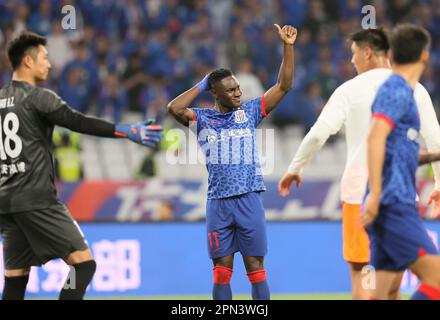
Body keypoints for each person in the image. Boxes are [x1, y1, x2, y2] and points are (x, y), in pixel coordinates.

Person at [278, 28, 440, 299]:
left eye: (353, 54)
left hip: (358, 196)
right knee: (397, 289)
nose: (351, 61)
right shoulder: (413, 89)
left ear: (367, 53)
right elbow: (433, 138)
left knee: (367, 286)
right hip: (397, 196)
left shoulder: (349, 90)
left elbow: (319, 133)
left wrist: (296, 167)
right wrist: (438, 182)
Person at [0, 32, 163, 300]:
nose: (49, 64)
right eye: (44, 58)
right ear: (28, 61)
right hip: (37, 199)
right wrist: (124, 130)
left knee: (15, 280)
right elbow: (78, 122)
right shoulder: (38, 97)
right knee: (84, 265)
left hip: (7, 204)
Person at [167, 24, 297, 300]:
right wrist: (201, 84)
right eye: (231, 90)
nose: (238, 93)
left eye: (238, 88)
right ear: (215, 93)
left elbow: (284, 85)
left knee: (256, 268)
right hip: (218, 203)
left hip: (249, 198)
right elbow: (173, 109)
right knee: (222, 271)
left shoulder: (250, 112)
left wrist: (287, 46)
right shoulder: (201, 120)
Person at [363, 24, 440, 300]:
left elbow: (397, 150)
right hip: (392, 203)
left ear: (392, 53)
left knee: (384, 294)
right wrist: (376, 196)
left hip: (390, 203)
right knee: (437, 282)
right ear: (425, 56)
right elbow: (375, 138)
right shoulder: (396, 89)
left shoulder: (401, 91)